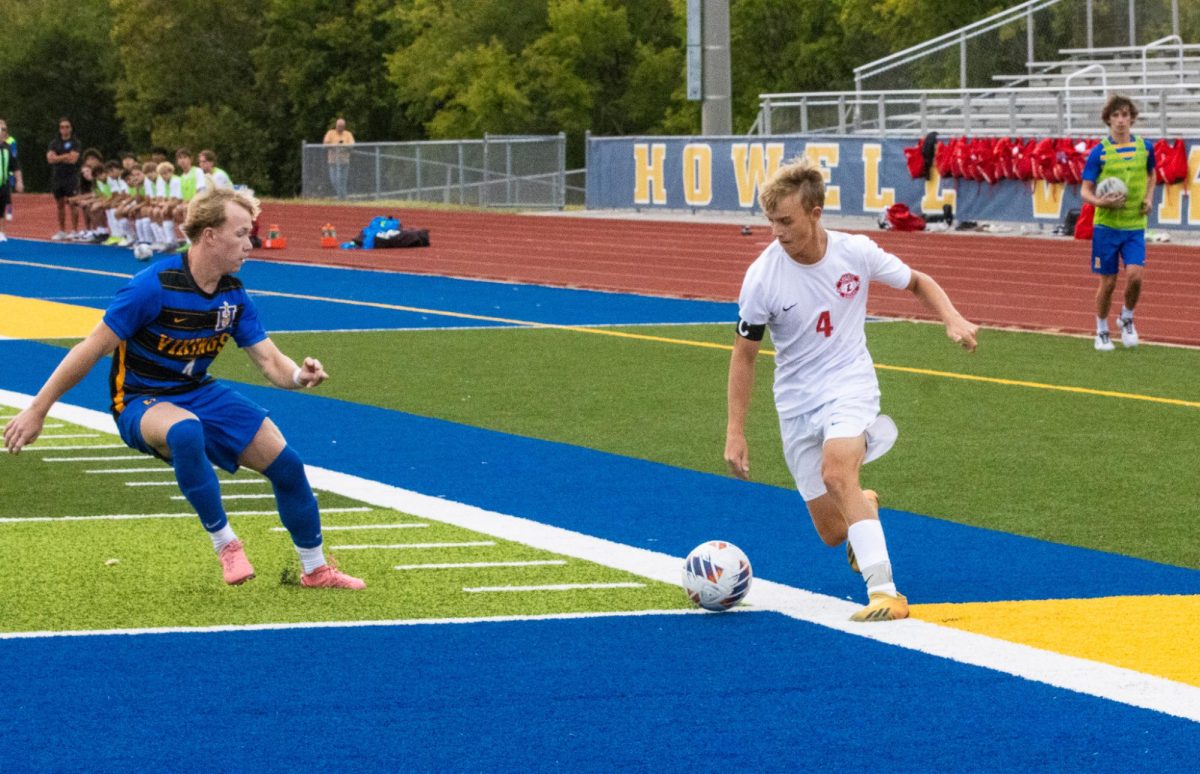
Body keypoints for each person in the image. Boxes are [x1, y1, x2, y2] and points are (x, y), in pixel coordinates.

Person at [3, 185, 365, 590]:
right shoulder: (153, 285)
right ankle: (226, 543)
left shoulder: (234, 295)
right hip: (141, 400)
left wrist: (301, 375)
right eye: (242, 233)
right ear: (210, 235)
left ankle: (315, 570)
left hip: (198, 391)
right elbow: (90, 349)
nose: (252, 243)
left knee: (288, 467)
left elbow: (270, 362)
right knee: (186, 429)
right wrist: (39, 408)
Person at [724, 157, 978, 622]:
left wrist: (952, 318)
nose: (776, 232)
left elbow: (918, 282)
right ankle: (867, 506)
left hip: (849, 385)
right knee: (832, 532)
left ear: (815, 212)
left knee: (837, 473)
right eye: (770, 222)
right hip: (796, 401)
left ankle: (885, 592)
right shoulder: (762, 276)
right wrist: (735, 430)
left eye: (786, 221)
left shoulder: (856, 252)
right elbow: (744, 354)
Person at [1079, 94, 1156, 351]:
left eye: (1125, 115)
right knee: (1108, 283)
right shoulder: (1099, 152)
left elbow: (1152, 174)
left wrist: (1147, 198)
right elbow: (1085, 191)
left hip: (1134, 226)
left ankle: (1127, 318)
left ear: (1132, 118)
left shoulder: (1146, 147)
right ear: (1108, 119)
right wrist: (1103, 203)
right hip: (1107, 227)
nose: (1121, 120)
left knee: (1135, 277)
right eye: (1116, 115)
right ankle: (1101, 329)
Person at [46, 117, 82, 239]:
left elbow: (73, 159)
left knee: (73, 203)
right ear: (59, 129)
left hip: (71, 176)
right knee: (60, 205)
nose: (64, 129)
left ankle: (75, 230)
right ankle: (62, 230)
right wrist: (65, 156)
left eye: (67, 127)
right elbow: (50, 159)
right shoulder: (54, 143)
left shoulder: (75, 142)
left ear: (70, 128)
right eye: (62, 127)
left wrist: (58, 157)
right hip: (57, 177)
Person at [0, 119, 23, 242]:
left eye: (4, 129)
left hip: (3, 181)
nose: (2, 132)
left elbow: (15, 165)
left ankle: (2, 232)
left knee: (3, 205)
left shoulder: (8, 147)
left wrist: (19, 181)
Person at [322, 117, 354, 199]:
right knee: (334, 181)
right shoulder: (330, 133)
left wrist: (344, 145)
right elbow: (325, 143)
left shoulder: (348, 134)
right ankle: (343, 197)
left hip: (344, 162)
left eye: (341, 126)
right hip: (333, 162)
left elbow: (352, 145)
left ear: (344, 127)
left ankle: (342, 198)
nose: (339, 128)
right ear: (336, 125)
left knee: (343, 181)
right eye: (338, 126)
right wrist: (335, 145)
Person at [3, 119, 18, 221]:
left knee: (7, 192)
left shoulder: (11, 140)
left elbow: (14, 155)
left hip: (8, 170)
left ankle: (9, 210)